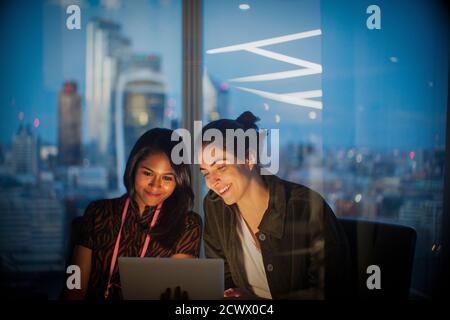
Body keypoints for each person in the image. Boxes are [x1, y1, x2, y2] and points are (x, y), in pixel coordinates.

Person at [199, 111, 351, 299]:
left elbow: (331, 291)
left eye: (221, 167)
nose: (212, 182)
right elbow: (221, 274)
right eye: (205, 172)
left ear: (249, 159)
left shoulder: (306, 207)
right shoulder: (215, 205)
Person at [63, 128, 202, 300]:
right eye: (148, 173)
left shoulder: (187, 224)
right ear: (133, 168)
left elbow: (176, 289)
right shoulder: (97, 212)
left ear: (178, 181)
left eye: (167, 178)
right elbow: (74, 284)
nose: (155, 185)